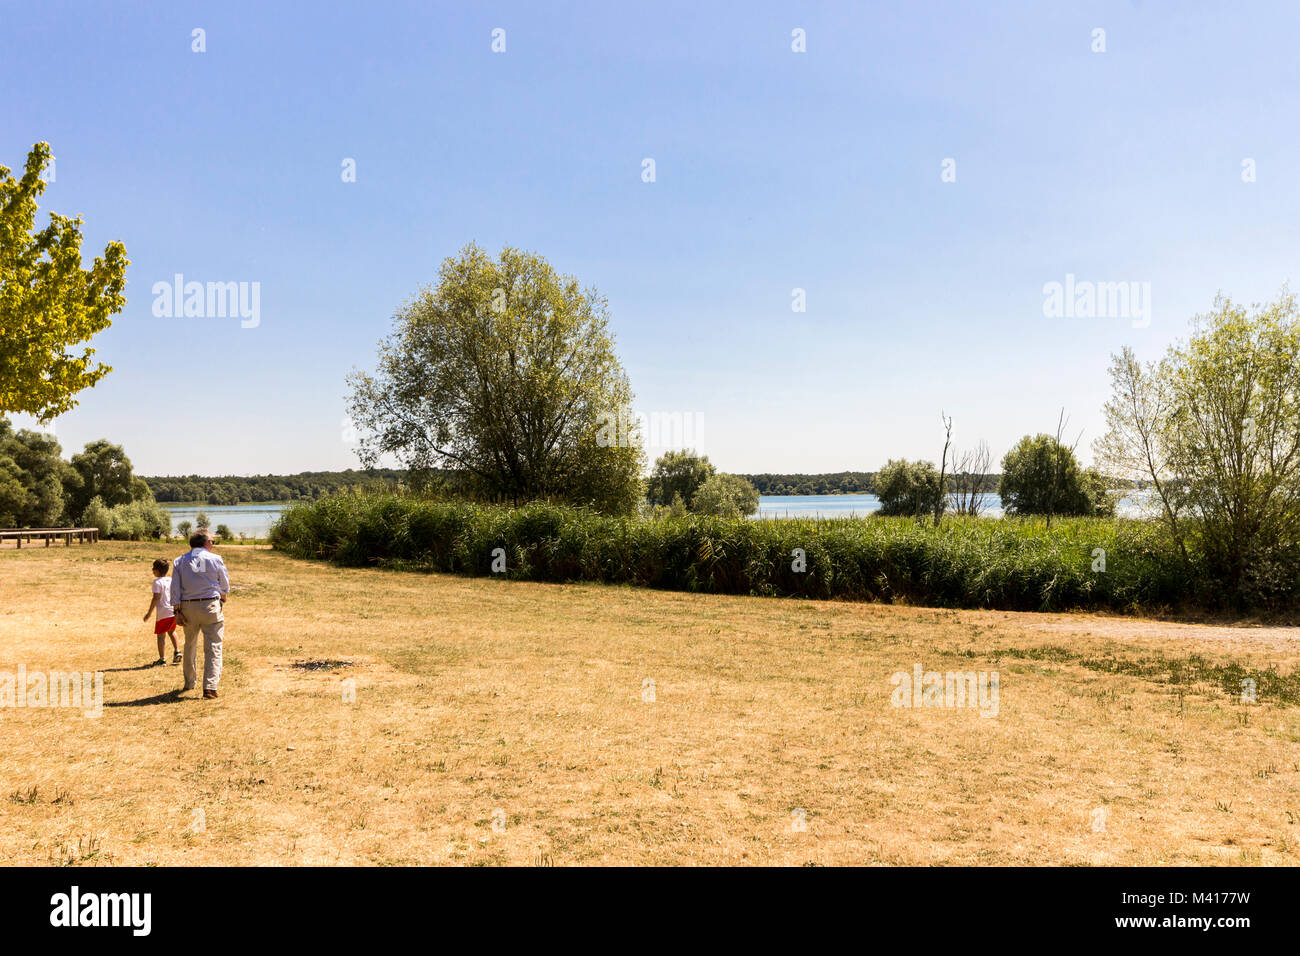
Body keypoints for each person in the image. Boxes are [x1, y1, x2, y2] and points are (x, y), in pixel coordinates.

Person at [171, 530, 230, 699]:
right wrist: (223, 598)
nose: (213, 544)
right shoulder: (215, 559)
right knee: (213, 646)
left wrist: (176, 610)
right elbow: (224, 583)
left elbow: (174, 588)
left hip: (188, 607)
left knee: (190, 644)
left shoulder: (179, 561)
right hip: (210, 604)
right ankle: (210, 687)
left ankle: (190, 682)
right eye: (212, 541)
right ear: (206, 543)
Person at [143, 558, 181, 666]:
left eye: (153, 568)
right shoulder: (171, 580)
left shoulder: (157, 582)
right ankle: (177, 651)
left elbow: (156, 598)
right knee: (172, 631)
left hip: (163, 613)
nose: (152, 570)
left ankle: (162, 659)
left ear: (157, 570)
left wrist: (149, 613)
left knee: (161, 636)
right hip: (173, 611)